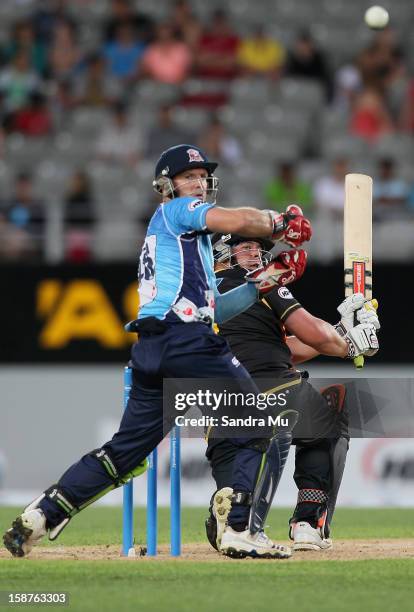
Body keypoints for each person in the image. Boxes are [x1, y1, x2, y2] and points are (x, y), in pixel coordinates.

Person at [3, 144, 376, 560]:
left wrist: (264, 279)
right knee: (261, 423)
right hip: (188, 339)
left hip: (152, 348)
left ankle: (40, 516)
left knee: (124, 453)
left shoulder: (185, 245)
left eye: (202, 176)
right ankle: (237, 527)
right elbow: (239, 220)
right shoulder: (175, 212)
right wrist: (279, 224)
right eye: (188, 176)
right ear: (167, 185)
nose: (197, 183)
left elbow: (218, 305)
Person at [205, 233, 380, 552]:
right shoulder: (260, 283)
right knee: (328, 419)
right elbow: (312, 333)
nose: (256, 255)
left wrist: (340, 333)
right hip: (275, 387)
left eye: (258, 249)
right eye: (245, 248)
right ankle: (308, 523)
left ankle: (233, 508)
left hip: (218, 404)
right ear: (221, 253)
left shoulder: (196, 294)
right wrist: (350, 344)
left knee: (237, 461)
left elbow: (284, 348)